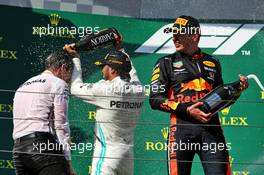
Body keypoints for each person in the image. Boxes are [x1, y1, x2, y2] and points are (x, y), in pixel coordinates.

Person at [149, 15, 249, 175]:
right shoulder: (165, 63)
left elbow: (220, 99)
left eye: (179, 34)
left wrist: (236, 92)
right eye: (173, 34)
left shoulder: (213, 62)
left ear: (194, 36)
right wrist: (187, 109)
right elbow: (155, 99)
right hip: (181, 131)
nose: (174, 38)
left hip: (212, 132)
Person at [63, 36, 145, 175]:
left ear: (112, 70)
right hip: (127, 155)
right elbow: (132, 72)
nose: (101, 70)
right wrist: (120, 49)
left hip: (107, 154)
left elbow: (75, 88)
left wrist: (75, 58)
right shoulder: (139, 89)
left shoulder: (106, 89)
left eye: (104, 66)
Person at [12, 50, 75, 175]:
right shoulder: (59, 83)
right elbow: (61, 125)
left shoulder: (22, 86)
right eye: (69, 73)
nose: (68, 79)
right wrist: (67, 160)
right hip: (43, 147)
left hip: (19, 151)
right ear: (62, 68)